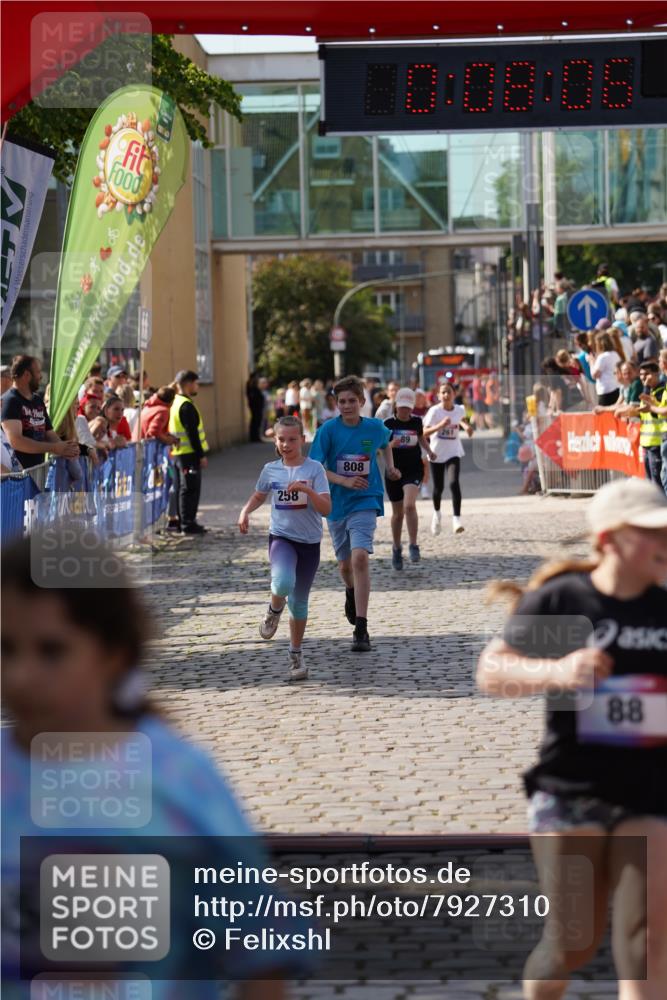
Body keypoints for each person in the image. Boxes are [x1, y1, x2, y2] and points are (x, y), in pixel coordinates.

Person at [1, 531, 298, 999]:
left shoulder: (176, 781)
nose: (19, 675)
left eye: (51, 651)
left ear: (113, 655)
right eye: (5, 649)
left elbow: (261, 950)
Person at [476, 477, 667, 1000]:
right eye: (652, 534)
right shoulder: (567, 601)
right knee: (572, 945)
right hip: (569, 791)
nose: (665, 544)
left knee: (648, 941)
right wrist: (558, 671)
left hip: (651, 794)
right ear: (608, 540)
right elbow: (492, 673)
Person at [310, 375, 400, 653]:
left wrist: (389, 468)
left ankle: (361, 627)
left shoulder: (374, 427)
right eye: (342, 402)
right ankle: (350, 592)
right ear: (336, 404)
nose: (347, 406)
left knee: (360, 558)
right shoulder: (328, 431)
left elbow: (385, 443)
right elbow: (314, 468)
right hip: (337, 504)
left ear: (362, 402)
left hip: (366, 499)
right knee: (345, 566)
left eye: (352, 401)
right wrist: (343, 480)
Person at [238, 415, 331, 681]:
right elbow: (259, 494)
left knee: (300, 603)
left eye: (292, 439)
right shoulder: (270, 469)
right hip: (281, 537)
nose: (287, 445)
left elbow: (327, 508)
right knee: (281, 583)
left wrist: (308, 491)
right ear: (275, 441)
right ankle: (273, 610)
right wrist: (245, 512)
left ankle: (295, 653)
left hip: (309, 543)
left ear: (302, 440)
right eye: (281, 439)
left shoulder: (314, 470)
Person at [383, 387, 436, 569]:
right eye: (402, 407)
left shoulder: (416, 422)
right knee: (397, 514)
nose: (405, 411)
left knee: (409, 505)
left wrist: (429, 452)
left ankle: (413, 544)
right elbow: (379, 448)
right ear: (396, 405)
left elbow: (421, 439)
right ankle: (397, 548)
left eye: (408, 407)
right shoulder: (388, 424)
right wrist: (392, 443)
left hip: (413, 469)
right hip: (393, 471)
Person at [1, 355, 79, 469]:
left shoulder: (37, 400)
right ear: (27, 375)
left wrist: (67, 448)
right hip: (18, 477)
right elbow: (16, 441)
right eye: (38, 372)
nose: (41, 376)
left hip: (38, 473)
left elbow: (49, 433)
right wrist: (54, 448)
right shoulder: (10, 400)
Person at [423, 380, 474, 535]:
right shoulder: (434, 411)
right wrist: (440, 426)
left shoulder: (459, 409)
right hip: (436, 452)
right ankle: (437, 514)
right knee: (438, 488)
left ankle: (456, 519)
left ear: (454, 394)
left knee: (453, 483)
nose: (446, 395)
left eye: (449, 392)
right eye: (443, 392)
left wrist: (467, 428)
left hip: (453, 452)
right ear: (438, 395)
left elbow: (462, 421)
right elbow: (424, 432)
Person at [168, 369, 210, 535]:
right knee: (190, 489)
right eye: (196, 383)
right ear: (188, 384)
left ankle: (184, 521)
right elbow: (192, 434)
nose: (197, 386)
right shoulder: (185, 405)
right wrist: (201, 455)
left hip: (180, 454)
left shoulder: (176, 402)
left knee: (182, 488)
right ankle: (188, 523)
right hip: (189, 454)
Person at [628, 361, 667, 486]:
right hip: (647, 443)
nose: (643, 377)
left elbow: (659, 412)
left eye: (647, 374)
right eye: (641, 374)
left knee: (659, 481)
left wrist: (651, 406)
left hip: (657, 442)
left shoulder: (661, 391)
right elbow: (642, 412)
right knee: (651, 481)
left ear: (656, 374)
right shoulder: (649, 391)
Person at [590, 331, 621, 407]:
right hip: (616, 387)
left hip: (606, 390)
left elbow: (595, 375)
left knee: (605, 415)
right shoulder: (615, 354)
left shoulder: (603, 357)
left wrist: (591, 362)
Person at [246, 371, 265, 443]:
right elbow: (253, 396)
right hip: (255, 406)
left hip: (257, 406)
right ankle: (254, 437)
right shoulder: (251, 384)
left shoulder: (253, 385)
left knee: (257, 421)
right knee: (255, 420)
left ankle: (256, 436)